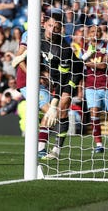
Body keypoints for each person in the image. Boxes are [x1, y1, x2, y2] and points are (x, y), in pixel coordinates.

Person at [40, 13, 80, 160]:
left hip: (72, 74)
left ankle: (56, 149)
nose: (52, 30)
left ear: (60, 30)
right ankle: (41, 147)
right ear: (44, 24)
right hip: (55, 76)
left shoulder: (63, 48)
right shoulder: (38, 38)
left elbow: (63, 79)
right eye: (50, 26)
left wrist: (54, 104)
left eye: (56, 28)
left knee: (62, 107)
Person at [81, 25, 108, 153]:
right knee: (94, 113)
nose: (95, 33)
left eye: (97, 31)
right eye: (92, 31)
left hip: (107, 85)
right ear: (89, 34)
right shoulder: (84, 48)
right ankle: (98, 145)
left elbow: (104, 65)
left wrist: (88, 63)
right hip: (91, 86)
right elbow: (80, 63)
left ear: (101, 33)